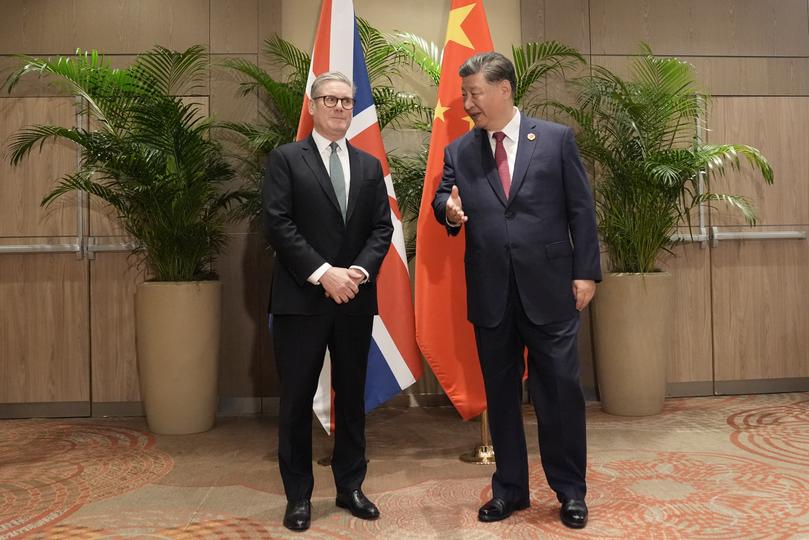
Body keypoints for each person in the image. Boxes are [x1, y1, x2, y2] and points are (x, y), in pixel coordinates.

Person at [432, 52, 601, 529]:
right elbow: (443, 197)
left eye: (475, 93)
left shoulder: (555, 139)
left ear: (504, 89)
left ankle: (570, 492)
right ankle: (509, 491)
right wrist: (448, 210)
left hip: (550, 291)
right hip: (491, 295)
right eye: (464, 95)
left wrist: (586, 273)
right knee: (501, 398)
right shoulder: (460, 150)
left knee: (560, 397)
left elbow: (581, 211)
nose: (468, 103)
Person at [263, 71, 393, 532]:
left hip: (355, 298)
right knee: (296, 400)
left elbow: (382, 228)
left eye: (346, 101)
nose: (339, 107)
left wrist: (355, 272)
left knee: (352, 397)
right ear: (313, 107)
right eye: (330, 99)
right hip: (303, 300)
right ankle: (298, 496)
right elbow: (278, 224)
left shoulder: (369, 165)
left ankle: (350, 486)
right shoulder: (285, 159)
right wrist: (324, 274)